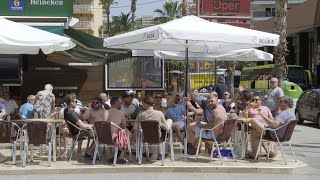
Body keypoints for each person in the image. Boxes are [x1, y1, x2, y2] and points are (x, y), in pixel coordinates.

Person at [133, 95, 172, 160]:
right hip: (158, 137)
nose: (141, 105)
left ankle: (149, 151)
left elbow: (134, 127)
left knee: (148, 130)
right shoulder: (159, 113)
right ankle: (160, 153)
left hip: (145, 137)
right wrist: (161, 124)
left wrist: (141, 127)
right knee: (169, 121)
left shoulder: (140, 115)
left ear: (145, 104)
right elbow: (166, 128)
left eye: (142, 103)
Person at [104, 96, 128, 163]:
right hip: (114, 137)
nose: (121, 104)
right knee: (127, 133)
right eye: (120, 103)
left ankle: (110, 155)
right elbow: (124, 126)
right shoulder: (120, 113)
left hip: (104, 136)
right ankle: (121, 155)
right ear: (117, 103)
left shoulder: (106, 112)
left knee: (117, 132)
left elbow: (105, 123)